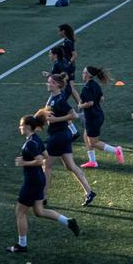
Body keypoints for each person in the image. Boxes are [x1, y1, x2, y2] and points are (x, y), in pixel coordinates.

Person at [9, 114, 80, 253]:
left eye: (21, 125)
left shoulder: (30, 143)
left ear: (28, 127)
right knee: (39, 211)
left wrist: (24, 162)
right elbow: (46, 155)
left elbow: (41, 160)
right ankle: (68, 221)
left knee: (20, 212)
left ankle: (22, 245)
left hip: (32, 182)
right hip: (39, 179)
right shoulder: (36, 139)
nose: (20, 128)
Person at [42, 74, 96, 206]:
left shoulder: (60, 100)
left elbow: (73, 114)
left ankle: (42, 197)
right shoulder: (53, 97)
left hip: (58, 136)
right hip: (63, 135)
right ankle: (89, 192)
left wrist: (55, 120)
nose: (47, 84)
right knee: (70, 166)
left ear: (56, 85)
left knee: (47, 166)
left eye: (50, 82)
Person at [78, 66, 124, 168]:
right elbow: (102, 98)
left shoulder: (87, 88)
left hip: (92, 117)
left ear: (88, 75)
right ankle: (92, 161)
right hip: (98, 115)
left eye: (84, 72)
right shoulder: (95, 85)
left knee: (94, 143)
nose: (82, 74)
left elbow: (89, 103)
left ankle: (116, 150)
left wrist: (81, 105)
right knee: (86, 137)